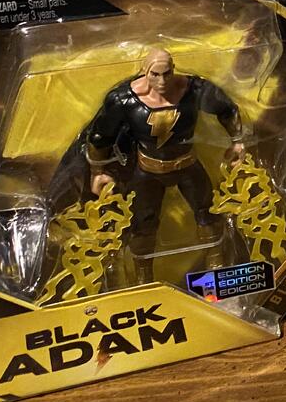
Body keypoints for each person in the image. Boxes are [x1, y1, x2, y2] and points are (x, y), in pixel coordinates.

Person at [85, 49, 244, 281]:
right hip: (148, 171)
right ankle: (143, 276)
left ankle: (216, 264)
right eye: (155, 74)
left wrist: (237, 141)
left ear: (173, 69)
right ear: (144, 71)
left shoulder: (193, 90)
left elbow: (226, 109)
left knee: (207, 213)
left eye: (166, 73)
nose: (161, 81)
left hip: (187, 165)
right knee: (143, 224)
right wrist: (97, 170)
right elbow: (101, 135)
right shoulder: (124, 99)